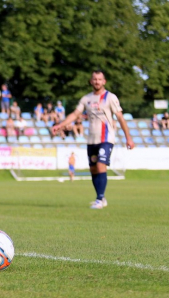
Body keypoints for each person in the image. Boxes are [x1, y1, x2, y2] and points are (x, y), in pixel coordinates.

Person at [52, 70, 134, 209]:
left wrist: (128, 137)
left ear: (104, 81)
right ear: (91, 81)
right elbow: (75, 114)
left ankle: (99, 199)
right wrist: (60, 125)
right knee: (94, 170)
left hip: (106, 138)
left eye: (99, 79)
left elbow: (120, 117)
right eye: (94, 79)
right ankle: (100, 198)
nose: (97, 81)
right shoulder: (86, 99)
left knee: (101, 165)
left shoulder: (110, 97)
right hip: (91, 140)